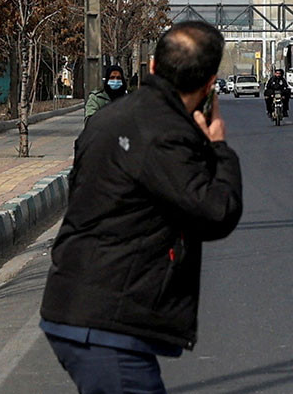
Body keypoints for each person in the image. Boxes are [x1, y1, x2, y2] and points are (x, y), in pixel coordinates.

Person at [41, 21, 243, 393]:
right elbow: (217, 211)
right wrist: (219, 147)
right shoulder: (166, 134)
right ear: (210, 84)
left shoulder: (110, 117)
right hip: (106, 324)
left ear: (151, 66)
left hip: (78, 306)